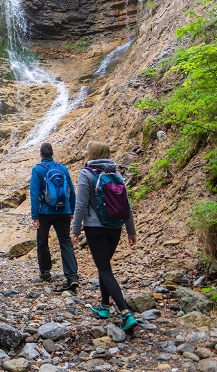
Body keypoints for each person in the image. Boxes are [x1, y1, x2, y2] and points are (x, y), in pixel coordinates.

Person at [71, 141, 138, 332]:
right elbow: (127, 205)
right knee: (104, 266)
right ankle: (104, 307)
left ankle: (125, 312)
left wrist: (75, 229)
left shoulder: (87, 173)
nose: (84, 150)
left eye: (86, 149)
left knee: (104, 268)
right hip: (115, 226)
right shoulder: (115, 173)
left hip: (95, 228)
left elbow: (81, 204)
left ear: (92, 153)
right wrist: (131, 230)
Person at [30, 142, 79, 292]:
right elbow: (71, 189)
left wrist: (34, 215)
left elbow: (34, 193)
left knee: (42, 241)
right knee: (65, 242)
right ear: (52, 154)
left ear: (40, 154)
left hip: (45, 213)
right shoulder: (62, 168)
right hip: (63, 211)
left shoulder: (38, 169)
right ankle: (72, 276)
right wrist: (72, 210)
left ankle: (45, 273)